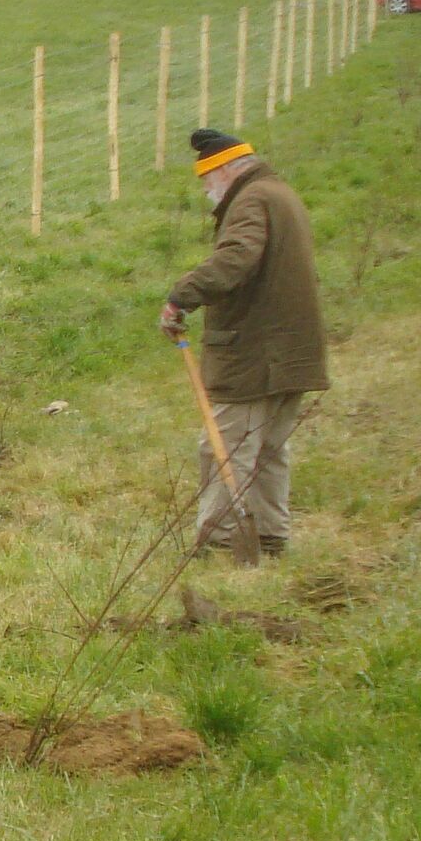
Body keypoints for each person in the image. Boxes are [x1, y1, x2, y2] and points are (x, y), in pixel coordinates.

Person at [160, 129, 328, 557]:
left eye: (206, 180)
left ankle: (219, 542)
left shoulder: (251, 200)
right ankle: (270, 536)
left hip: (257, 351)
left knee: (226, 444)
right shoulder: (278, 193)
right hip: (290, 348)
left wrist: (183, 295)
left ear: (225, 170)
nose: (205, 190)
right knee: (270, 447)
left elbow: (236, 258)